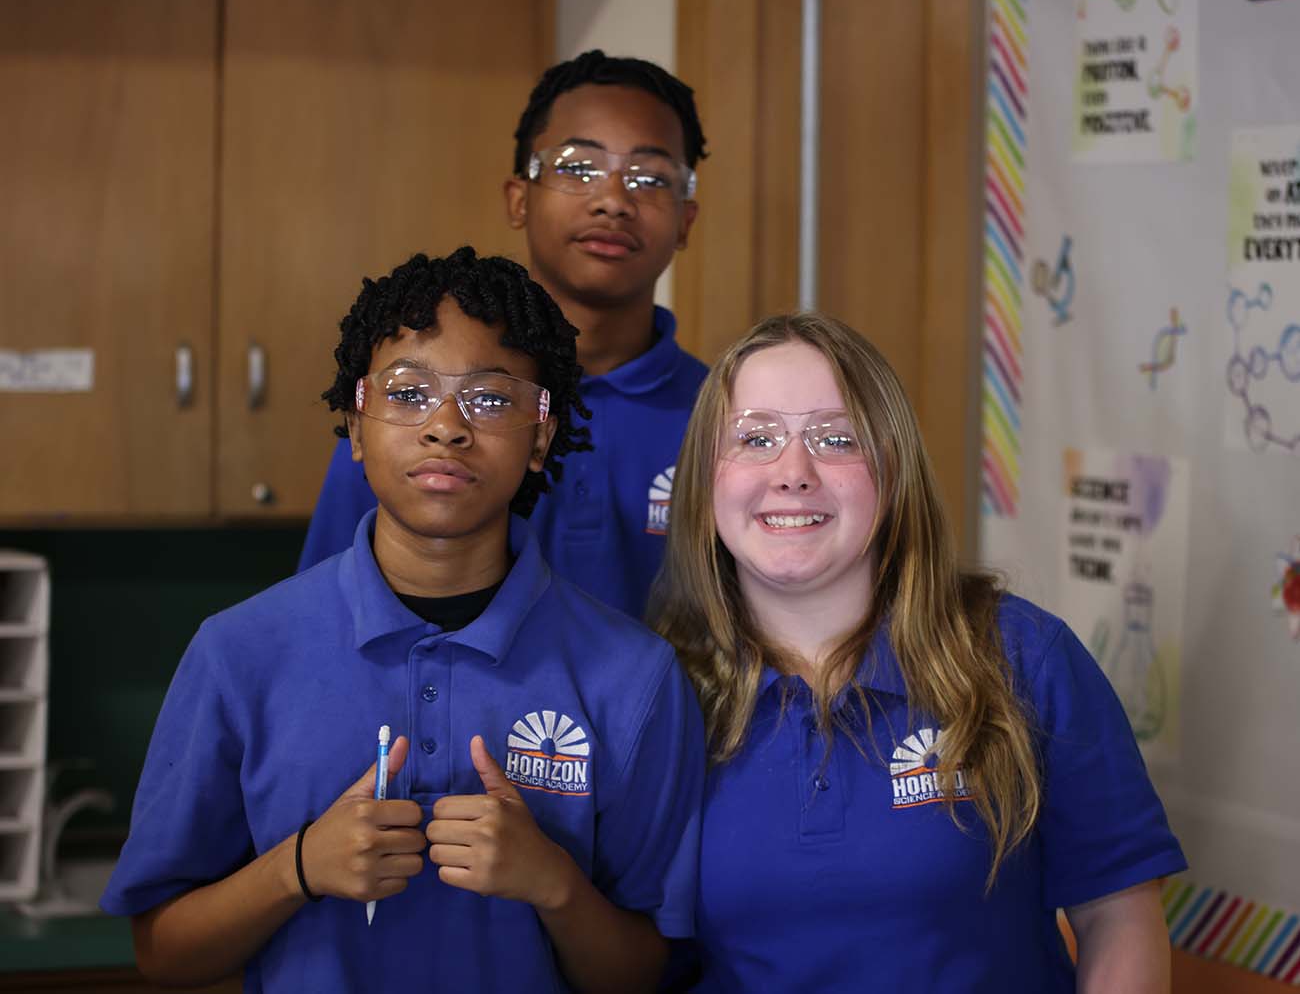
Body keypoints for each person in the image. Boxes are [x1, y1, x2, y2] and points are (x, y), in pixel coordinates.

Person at [102, 249, 704, 994]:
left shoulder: (633, 677)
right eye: (409, 392)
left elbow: (644, 972)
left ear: (542, 436)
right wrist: (299, 867)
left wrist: (554, 883)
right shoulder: (239, 653)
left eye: (489, 398)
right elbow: (162, 951)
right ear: (355, 426)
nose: (445, 427)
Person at [648, 313, 1187, 993]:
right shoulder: (655, 689)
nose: (792, 471)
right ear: (703, 482)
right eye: (754, 438)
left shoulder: (1022, 656)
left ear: (892, 468)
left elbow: (1119, 916)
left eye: (835, 437)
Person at [299, 50, 709, 619]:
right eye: (578, 167)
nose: (614, 200)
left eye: (649, 178)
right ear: (520, 199)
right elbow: (319, 620)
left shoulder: (725, 420)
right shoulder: (410, 408)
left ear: (686, 219)